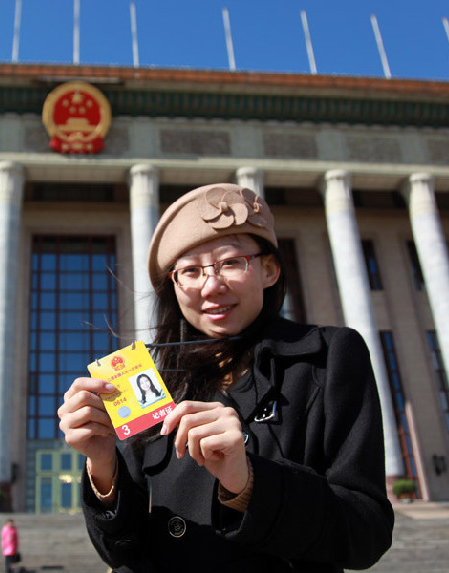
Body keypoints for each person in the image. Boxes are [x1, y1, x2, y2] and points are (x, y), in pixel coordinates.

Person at [58, 183, 394, 572]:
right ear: (174, 286)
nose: (211, 285)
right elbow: (121, 552)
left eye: (231, 263)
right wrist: (103, 466)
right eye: (191, 271)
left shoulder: (327, 356)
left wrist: (249, 483)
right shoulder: (145, 376)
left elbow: (366, 532)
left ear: (269, 269)